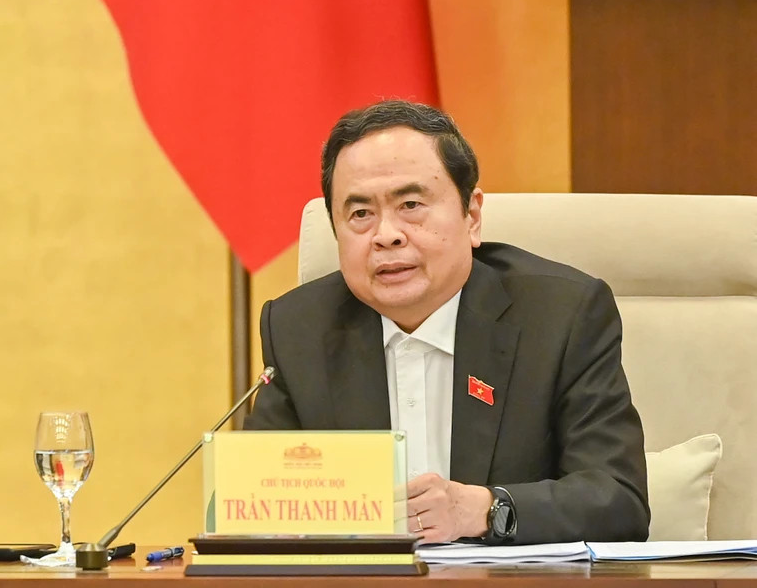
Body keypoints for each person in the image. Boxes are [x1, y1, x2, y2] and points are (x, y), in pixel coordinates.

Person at [244, 100, 649, 545]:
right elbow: (259, 511)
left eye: (411, 204)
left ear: (471, 216)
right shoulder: (297, 329)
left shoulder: (561, 316)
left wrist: (487, 510)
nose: (386, 235)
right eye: (360, 214)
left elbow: (618, 501)